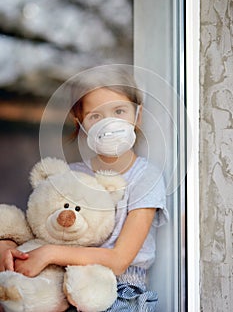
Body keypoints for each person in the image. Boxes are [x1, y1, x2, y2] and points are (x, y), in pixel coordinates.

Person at [0, 66, 168, 311]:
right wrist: (7, 245)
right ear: (81, 124)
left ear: (137, 116)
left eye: (119, 111)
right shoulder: (72, 174)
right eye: (95, 116)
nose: (109, 123)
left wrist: (48, 254)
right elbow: (41, 225)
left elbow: (120, 260)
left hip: (121, 292)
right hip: (66, 284)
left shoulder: (146, 177)